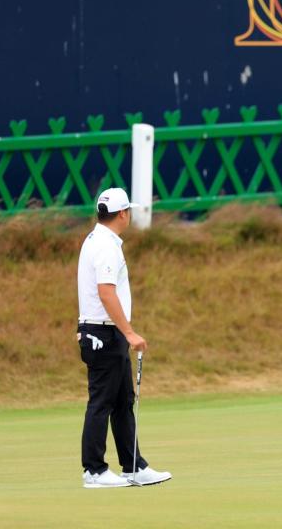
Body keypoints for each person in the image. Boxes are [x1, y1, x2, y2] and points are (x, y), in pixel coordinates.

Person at [77, 187, 171, 488]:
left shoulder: (99, 240)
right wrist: (129, 332)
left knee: (122, 402)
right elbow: (106, 292)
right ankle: (94, 471)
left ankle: (133, 466)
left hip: (108, 333)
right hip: (104, 333)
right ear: (122, 214)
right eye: (128, 211)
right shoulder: (106, 245)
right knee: (102, 402)